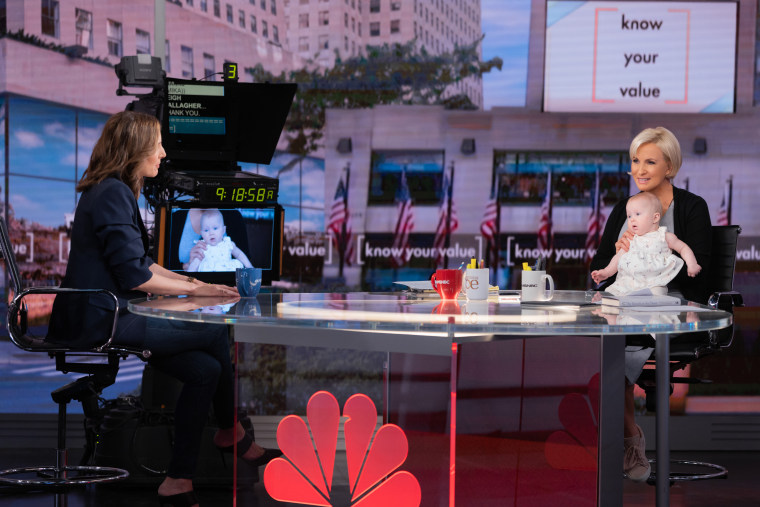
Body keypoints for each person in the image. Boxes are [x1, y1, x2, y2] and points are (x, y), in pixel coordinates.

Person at [47, 111, 281, 507]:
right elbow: (137, 276)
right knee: (213, 331)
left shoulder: (115, 190)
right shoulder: (111, 193)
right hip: (102, 318)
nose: (163, 152)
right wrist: (199, 291)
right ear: (135, 148)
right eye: (156, 144)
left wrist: (197, 286)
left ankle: (177, 480)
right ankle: (230, 432)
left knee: (205, 370)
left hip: (114, 313)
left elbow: (146, 265)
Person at [590, 126, 712, 483]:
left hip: (673, 309)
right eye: (634, 161)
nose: (639, 170)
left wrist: (650, 286)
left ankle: (624, 445)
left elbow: (700, 274)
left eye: (650, 162)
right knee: (602, 345)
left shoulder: (692, 208)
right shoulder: (624, 210)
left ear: (670, 167)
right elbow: (599, 268)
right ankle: (631, 439)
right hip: (624, 307)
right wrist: (619, 255)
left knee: (615, 350)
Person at [591, 191, 702, 295]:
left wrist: (691, 264)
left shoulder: (664, 236)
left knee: (657, 294)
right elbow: (618, 259)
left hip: (653, 283)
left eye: (637, 214)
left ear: (655, 218)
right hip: (629, 284)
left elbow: (683, 248)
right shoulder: (631, 239)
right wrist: (605, 272)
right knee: (612, 293)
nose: (632, 219)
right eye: (629, 216)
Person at [186, 209, 253, 272]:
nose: (211, 233)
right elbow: (195, 263)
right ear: (202, 233)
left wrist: (249, 266)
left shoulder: (228, 244)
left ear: (223, 230)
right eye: (206, 230)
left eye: (215, 228)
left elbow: (239, 254)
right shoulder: (203, 248)